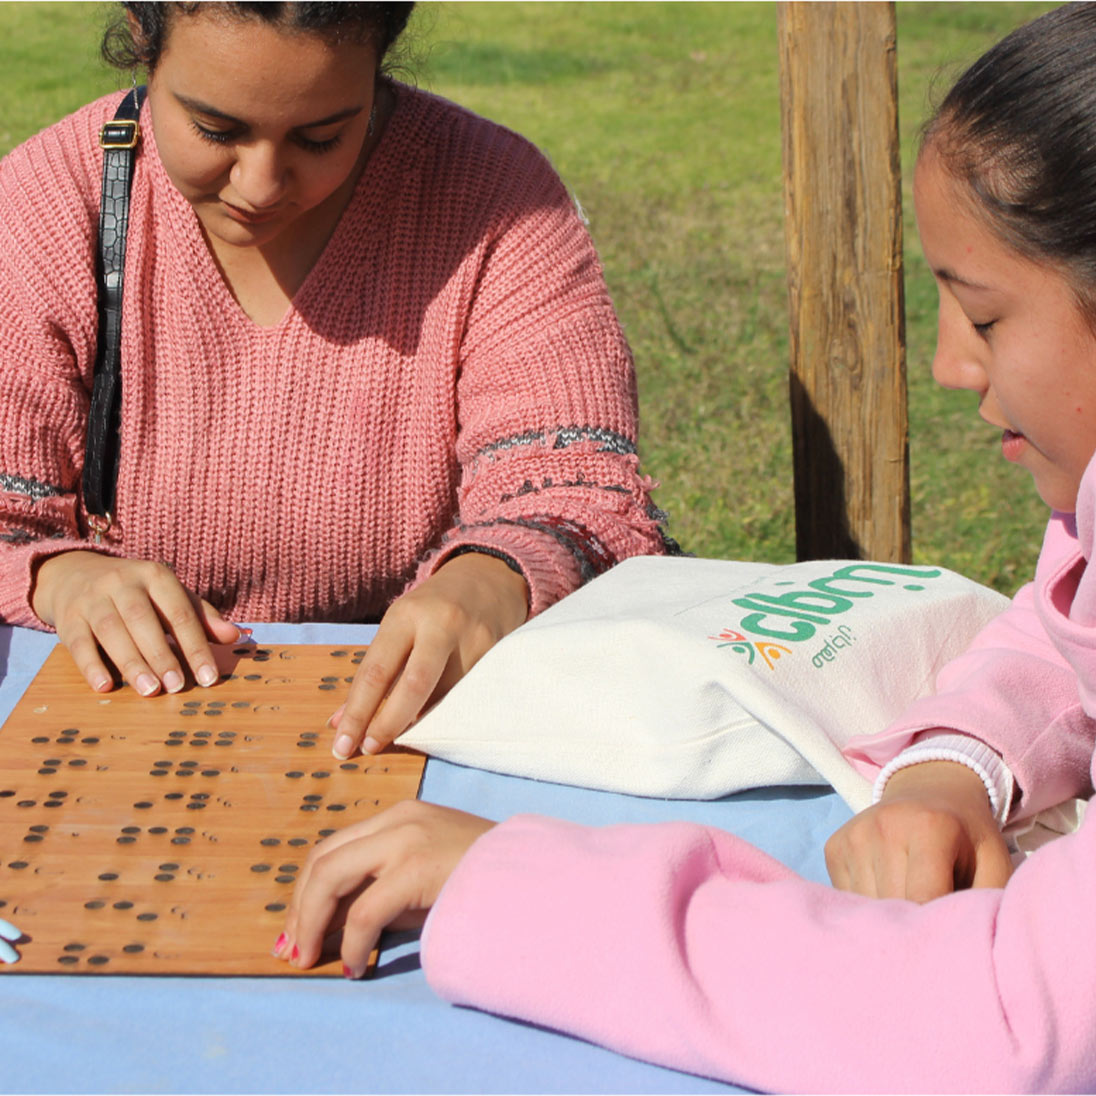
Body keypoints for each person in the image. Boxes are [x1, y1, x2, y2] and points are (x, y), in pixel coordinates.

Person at [277, 6, 1096, 1090]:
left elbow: (992, 1028)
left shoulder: (490, 193)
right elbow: (1067, 616)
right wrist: (953, 767)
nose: (949, 362)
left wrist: (513, 883)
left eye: (984, 317)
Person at [0, 2, 673, 761]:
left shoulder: (499, 201)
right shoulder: (45, 204)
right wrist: (60, 576)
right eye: (215, 131)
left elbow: (578, 490)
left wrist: (493, 579)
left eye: (321, 137)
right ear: (144, 43)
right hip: (119, 731)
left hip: (410, 728)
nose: (259, 185)